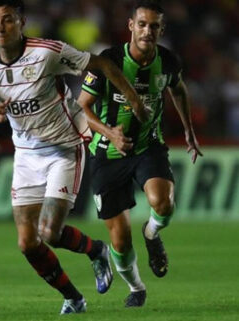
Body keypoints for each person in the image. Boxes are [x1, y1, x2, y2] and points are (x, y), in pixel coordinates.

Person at [0, 0, 149, 314]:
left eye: (8, 19)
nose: (0, 27)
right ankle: (74, 297)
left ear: (22, 22)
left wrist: (132, 98)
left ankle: (96, 251)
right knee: (27, 243)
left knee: (50, 232)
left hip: (64, 148)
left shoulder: (47, 52)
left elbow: (103, 65)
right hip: (25, 155)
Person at [77, 0, 202, 307]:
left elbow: (179, 89)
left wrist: (188, 129)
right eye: (142, 24)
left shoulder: (169, 62)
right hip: (107, 153)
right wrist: (111, 133)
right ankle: (136, 287)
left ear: (162, 29)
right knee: (119, 238)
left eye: (154, 26)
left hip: (148, 146)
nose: (148, 31)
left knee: (164, 203)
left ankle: (152, 233)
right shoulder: (109, 60)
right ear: (131, 26)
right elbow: (82, 107)